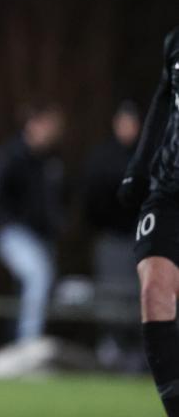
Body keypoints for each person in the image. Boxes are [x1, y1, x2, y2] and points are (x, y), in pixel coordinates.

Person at [117, 27, 179, 417]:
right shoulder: (175, 41)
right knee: (154, 291)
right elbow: (162, 97)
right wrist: (138, 168)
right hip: (170, 189)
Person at [0, 103, 66, 343]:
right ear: (33, 124)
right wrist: (10, 218)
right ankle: (28, 341)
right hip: (14, 232)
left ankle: (18, 341)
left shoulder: (52, 160)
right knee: (39, 275)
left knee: (32, 288)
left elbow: (60, 197)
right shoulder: (11, 155)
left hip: (44, 235)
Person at [84, 101, 142, 370]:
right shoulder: (103, 157)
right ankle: (112, 347)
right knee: (112, 293)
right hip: (112, 236)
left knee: (139, 293)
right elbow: (92, 199)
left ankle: (139, 352)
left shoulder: (148, 155)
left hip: (141, 236)